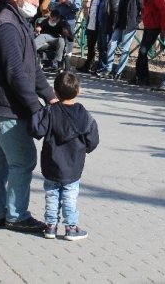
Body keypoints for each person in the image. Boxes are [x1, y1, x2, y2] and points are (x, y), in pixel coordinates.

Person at [0, 0, 56, 233]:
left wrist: (50, 95)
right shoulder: (7, 26)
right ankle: (16, 215)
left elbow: (32, 67)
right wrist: (35, 106)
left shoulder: (18, 21)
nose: (37, 2)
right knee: (23, 160)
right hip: (6, 107)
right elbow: (16, 73)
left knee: (0, 160)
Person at [29, 72, 99, 241]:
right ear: (78, 91)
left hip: (51, 163)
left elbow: (37, 130)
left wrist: (38, 109)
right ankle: (71, 227)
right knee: (70, 195)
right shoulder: (85, 115)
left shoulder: (50, 112)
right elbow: (93, 140)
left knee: (52, 194)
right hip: (73, 164)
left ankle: (50, 226)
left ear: (55, 92)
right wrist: (85, 149)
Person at [96, 0, 142, 80]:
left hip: (129, 26)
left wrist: (136, 22)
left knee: (125, 50)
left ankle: (118, 72)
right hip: (119, 25)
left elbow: (143, 11)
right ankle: (108, 69)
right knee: (111, 45)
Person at [133, 0, 165, 85]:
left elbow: (163, 11)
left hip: (155, 25)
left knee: (143, 51)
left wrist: (163, 28)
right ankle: (140, 76)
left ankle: (143, 77)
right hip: (149, 24)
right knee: (141, 52)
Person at [77, 0, 102, 73]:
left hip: (98, 26)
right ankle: (88, 65)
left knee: (100, 48)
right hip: (90, 25)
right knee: (90, 47)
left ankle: (97, 66)